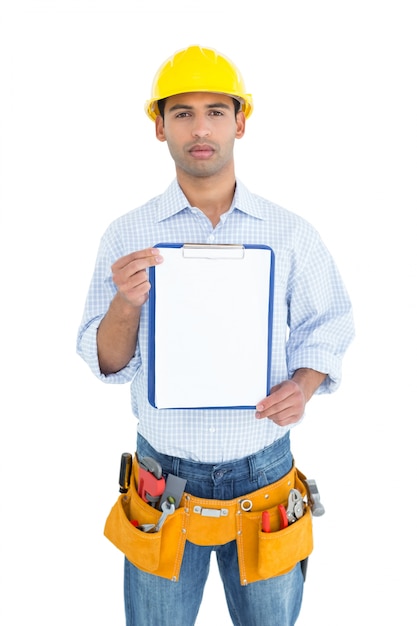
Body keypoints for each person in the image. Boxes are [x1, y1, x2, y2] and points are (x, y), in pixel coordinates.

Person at [77, 45, 354, 626]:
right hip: (162, 486)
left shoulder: (290, 232)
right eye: (182, 113)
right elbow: (106, 362)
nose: (199, 128)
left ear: (241, 121)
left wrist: (302, 387)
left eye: (215, 111)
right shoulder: (128, 233)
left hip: (266, 480)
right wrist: (126, 304)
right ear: (160, 127)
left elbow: (327, 326)